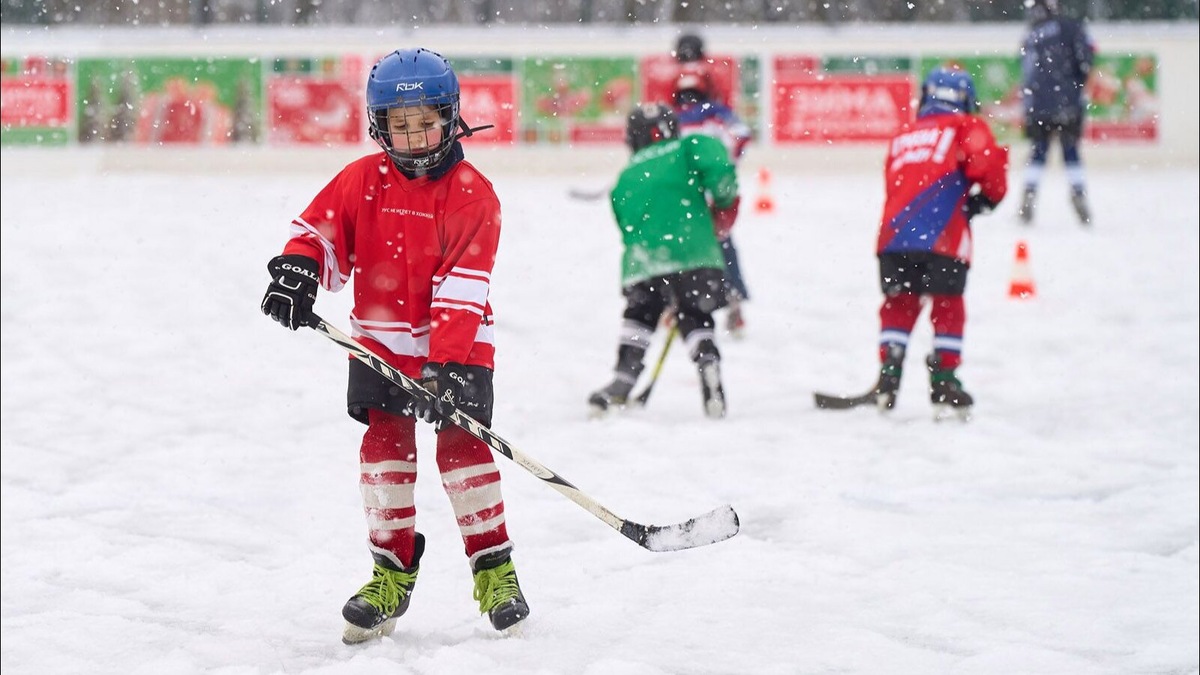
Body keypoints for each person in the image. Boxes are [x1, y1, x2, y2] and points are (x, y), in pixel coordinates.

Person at [259, 47, 529, 643]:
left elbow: (463, 288)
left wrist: (448, 365)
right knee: (384, 450)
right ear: (381, 127)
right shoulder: (363, 178)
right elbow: (320, 233)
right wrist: (300, 269)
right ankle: (391, 571)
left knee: (462, 450)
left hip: (456, 348)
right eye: (399, 126)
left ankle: (494, 567)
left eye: (425, 122)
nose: (413, 137)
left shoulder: (472, 195)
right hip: (380, 343)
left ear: (451, 116)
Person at [859, 67, 1008, 419]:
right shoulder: (964, 127)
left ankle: (890, 373)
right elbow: (988, 170)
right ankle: (944, 379)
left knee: (899, 303)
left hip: (894, 238)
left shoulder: (903, 134)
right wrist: (984, 201)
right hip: (944, 236)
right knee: (948, 305)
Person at [587, 103, 739, 419]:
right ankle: (707, 360)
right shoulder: (688, 148)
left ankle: (623, 379)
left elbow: (626, 228)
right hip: (696, 254)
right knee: (695, 313)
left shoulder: (625, 178)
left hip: (645, 263)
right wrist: (724, 205)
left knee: (639, 317)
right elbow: (720, 168)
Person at [672, 65, 753, 337]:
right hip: (712, 192)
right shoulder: (717, 113)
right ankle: (734, 302)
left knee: (680, 249)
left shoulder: (673, 118)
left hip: (684, 196)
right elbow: (741, 134)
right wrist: (725, 167)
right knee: (723, 245)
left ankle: (674, 305)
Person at [1017, 0, 1096, 225]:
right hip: (1067, 101)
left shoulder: (1030, 34)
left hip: (1037, 105)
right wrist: (1074, 87)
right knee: (1070, 150)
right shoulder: (1070, 27)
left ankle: (1029, 195)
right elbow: (1085, 61)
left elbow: (1025, 69)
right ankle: (1078, 194)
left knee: (1038, 151)